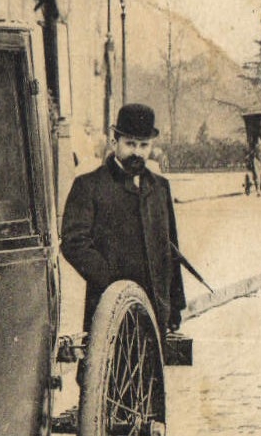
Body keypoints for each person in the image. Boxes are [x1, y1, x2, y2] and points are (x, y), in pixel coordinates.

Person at [61, 103, 186, 337]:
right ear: (114, 142)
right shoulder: (89, 186)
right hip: (109, 311)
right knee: (111, 371)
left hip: (155, 312)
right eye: (130, 144)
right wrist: (111, 280)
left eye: (144, 145)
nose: (137, 152)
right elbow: (73, 243)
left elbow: (171, 247)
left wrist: (175, 306)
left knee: (151, 373)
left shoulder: (160, 187)